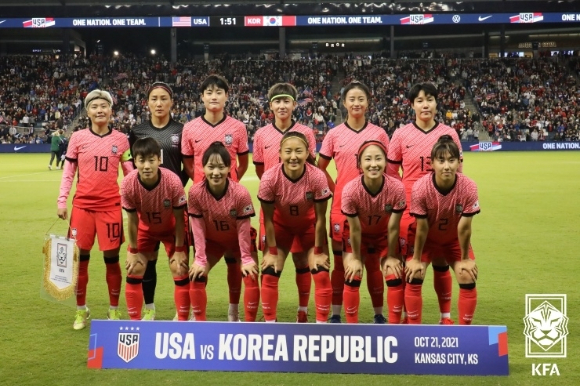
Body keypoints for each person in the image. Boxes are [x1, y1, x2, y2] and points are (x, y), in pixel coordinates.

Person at [386, 82, 463, 324]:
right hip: (409, 210)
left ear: (437, 102)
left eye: (429, 99)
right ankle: (408, 318)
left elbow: (458, 172)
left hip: (442, 210)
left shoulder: (449, 134)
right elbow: (390, 173)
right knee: (408, 265)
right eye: (419, 100)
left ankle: (445, 317)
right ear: (412, 105)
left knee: (440, 261)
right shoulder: (400, 134)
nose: (425, 104)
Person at [57, 90, 133, 330]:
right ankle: (81, 311)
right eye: (94, 106)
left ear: (111, 111)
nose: (99, 110)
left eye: (104, 106)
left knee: (112, 260)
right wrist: (62, 201)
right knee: (81, 262)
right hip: (82, 208)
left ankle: (113, 310)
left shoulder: (121, 139)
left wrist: (137, 197)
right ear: (87, 111)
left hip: (110, 207)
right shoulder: (77, 138)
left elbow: (130, 172)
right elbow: (69, 172)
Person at [318, 81, 390, 323]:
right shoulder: (334, 134)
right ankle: (337, 313)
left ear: (368, 102)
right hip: (342, 207)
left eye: (361, 98)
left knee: (372, 262)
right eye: (352, 99)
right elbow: (320, 168)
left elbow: (387, 169)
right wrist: (336, 188)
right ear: (345, 103)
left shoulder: (379, 134)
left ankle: (379, 314)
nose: (356, 103)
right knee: (341, 263)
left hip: (373, 207)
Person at [181, 74, 250, 322]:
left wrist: (231, 185)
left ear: (227, 96)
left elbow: (243, 162)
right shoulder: (190, 128)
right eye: (208, 92)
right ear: (202, 97)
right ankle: (196, 317)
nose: (213, 96)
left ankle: (233, 312)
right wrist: (203, 185)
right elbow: (189, 164)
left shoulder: (238, 127)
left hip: (230, 203)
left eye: (219, 92)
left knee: (236, 262)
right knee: (199, 261)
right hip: (202, 205)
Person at [253, 83, 317, 323]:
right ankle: (271, 319)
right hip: (273, 208)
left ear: (294, 104)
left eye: (286, 101)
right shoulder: (261, 135)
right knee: (271, 261)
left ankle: (302, 310)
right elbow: (260, 170)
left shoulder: (306, 133)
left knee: (302, 260)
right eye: (277, 102)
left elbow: (310, 166)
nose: (282, 106)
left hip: (302, 207)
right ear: (270, 106)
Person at [258, 131, 332, 323]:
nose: (293, 156)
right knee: (270, 272)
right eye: (288, 151)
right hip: (280, 227)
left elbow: (321, 218)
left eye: (298, 151)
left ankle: (316, 322)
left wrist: (319, 251)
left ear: (308, 152)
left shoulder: (317, 177)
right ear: (280, 153)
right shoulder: (269, 178)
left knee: (320, 271)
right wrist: (272, 251)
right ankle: (270, 325)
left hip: (309, 227)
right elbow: (267, 219)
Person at [405, 135, 479, 325]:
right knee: (416, 272)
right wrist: (415, 260)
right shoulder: (421, 188)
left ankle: (462, 331)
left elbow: (464, 227)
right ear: (432, 163)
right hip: (426, 239)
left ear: (459, 162)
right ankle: (413, 329)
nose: (447, 166)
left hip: (453, 239)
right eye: (441, 160)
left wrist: (465, 259)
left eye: (451, 160)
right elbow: (421, 228)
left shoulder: (469, 187)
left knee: (466, 273)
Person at [128, 82, 187, 320]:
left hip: (173, 203)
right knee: (146, 262)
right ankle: (149, 308)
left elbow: (188, 164)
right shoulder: (138, 130)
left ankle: (182, 312)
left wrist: (175, 185)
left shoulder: (183, 130)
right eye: (154, 98)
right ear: (148, 102)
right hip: (146, 206)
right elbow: (133, 164)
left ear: (171, 102)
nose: (159, 103)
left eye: (164, 98)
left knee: (179, 261)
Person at [188, 142, 260, 322]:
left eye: (221, 167)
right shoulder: (195, 193)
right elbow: (197, 227)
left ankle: (242, 321)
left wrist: (245, 258)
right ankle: (199, 323)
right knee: (197, 274)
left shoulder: (240, 193)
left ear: (230, 168)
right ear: (202, 168)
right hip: (212, 241)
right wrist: (199, 259)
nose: (216, 172)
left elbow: (244, 229)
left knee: (250, 273)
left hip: (238, 241)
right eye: (211, 167)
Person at [121, 137, 190, 321]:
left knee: (180, 267)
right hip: (146, 228)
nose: (146, 166)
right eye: (141, 160)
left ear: (159, 159)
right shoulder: (128, 184)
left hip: (172, 228)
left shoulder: (173, 181)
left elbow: (179, 218)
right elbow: (133, 221)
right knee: (134, 267)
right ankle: (139, 320)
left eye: (151, 160)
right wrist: (133, 251)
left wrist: (179, 250)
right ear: (134, 161)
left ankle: (182, 317)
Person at [341, 141, 406, 323]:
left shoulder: (397, 187)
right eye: (368, 159)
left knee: (394, 273)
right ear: (360, 164)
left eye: (378, 158)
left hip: (384, 235)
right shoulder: (350, 190)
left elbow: (393, 227)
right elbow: (354, 228)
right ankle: (351, 328)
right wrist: (354, 258)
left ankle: (393, 327)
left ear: (386, 161)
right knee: (353, 273)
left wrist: (392, 256)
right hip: (357, 236)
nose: (373, 164)